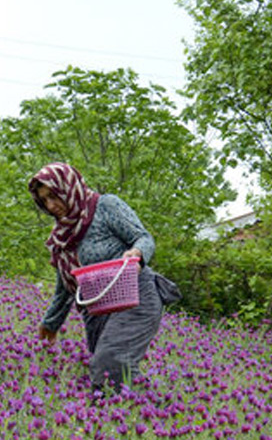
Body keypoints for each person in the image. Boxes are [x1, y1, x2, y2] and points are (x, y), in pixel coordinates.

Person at [29, 162, 179, 394]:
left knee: (110, 364)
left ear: (67, 187)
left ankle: (153, 418)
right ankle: (162, 412)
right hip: (97, 308)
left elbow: (143, 238)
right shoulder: (62, 235)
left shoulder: (105, 205)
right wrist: (50, 323)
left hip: (135, 294)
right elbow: (66, 285)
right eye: (44, 200)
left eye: (53, 196)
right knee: (111, 374)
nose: (51, 205)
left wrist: (137, 255)